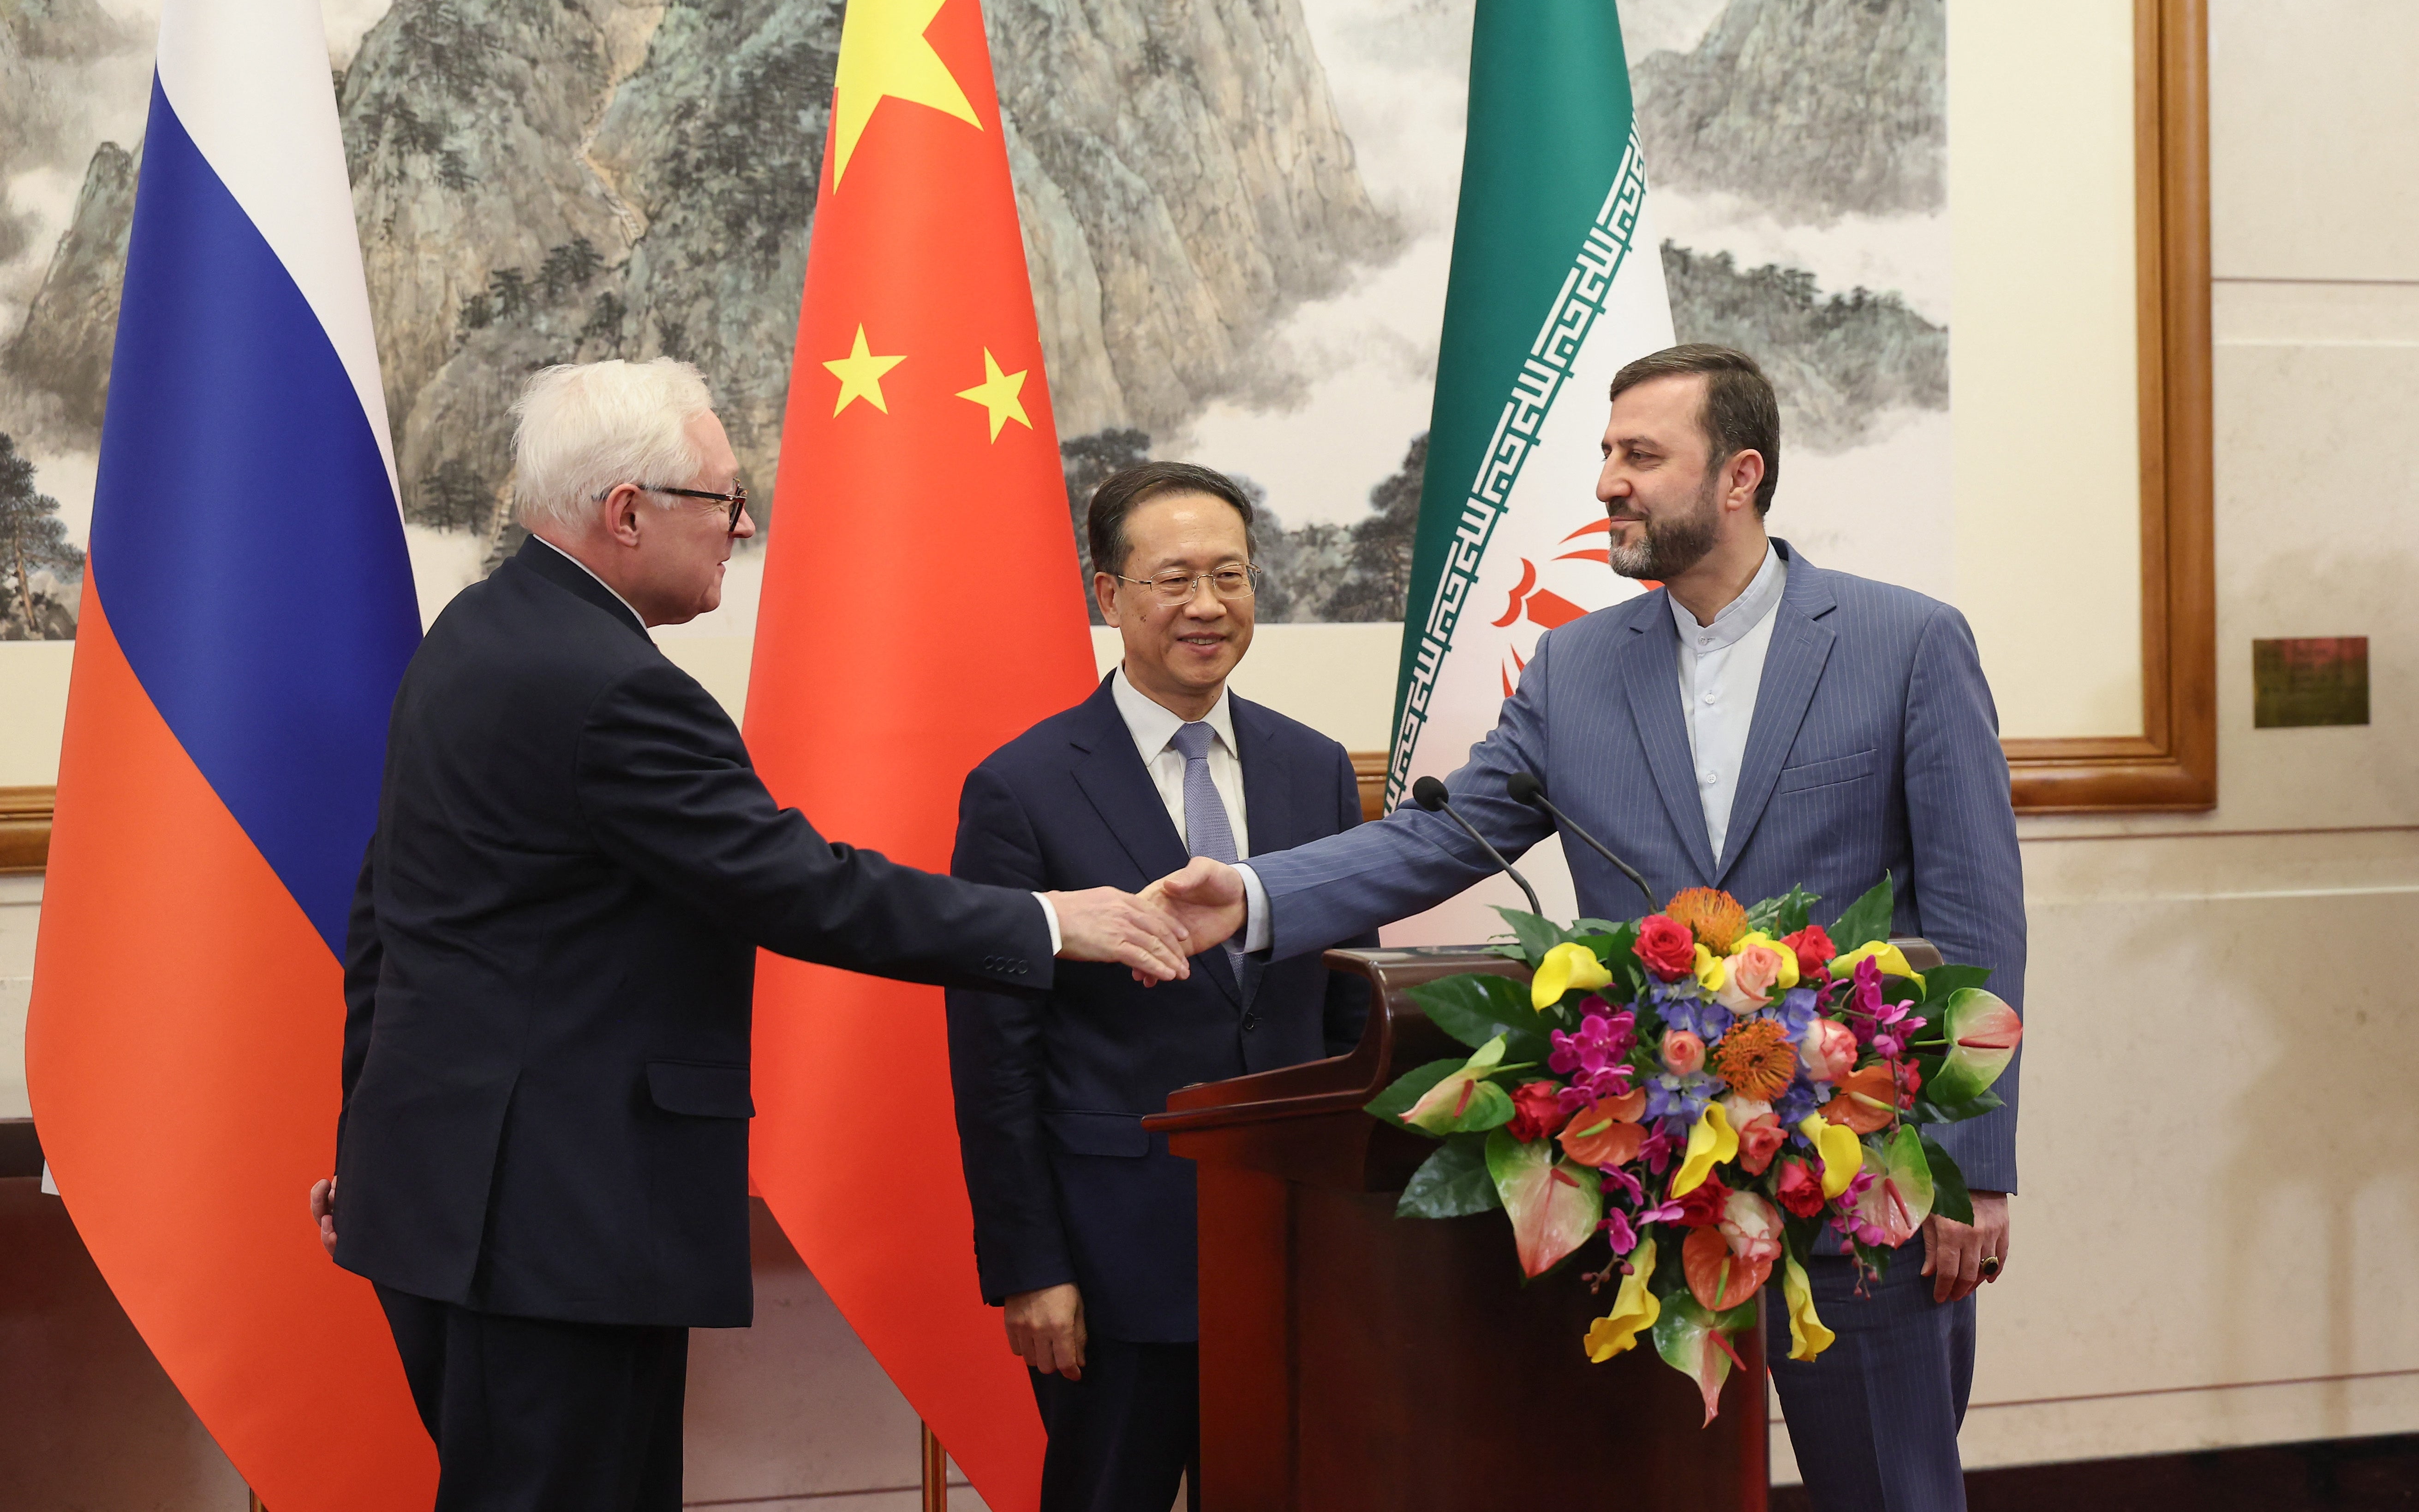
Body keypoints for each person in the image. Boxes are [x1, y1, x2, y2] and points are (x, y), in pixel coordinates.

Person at [306, 359, 1198, 1512]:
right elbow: (796, 886)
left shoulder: (479, 634)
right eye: (724, 501)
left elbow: (388, 914)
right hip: (551, 1221)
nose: (741, 525)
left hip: (460, 1199)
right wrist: (1047, 919)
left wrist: (372, 1140)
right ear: (628, 511)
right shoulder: (612, 687)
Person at [1149, 345, 2024, 1512]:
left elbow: (1975, 921)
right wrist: (1254, 895)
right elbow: (1443, 836)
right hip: (1650, 1171)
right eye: (1606, 453)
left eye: (1640, 455)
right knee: (1652, 1476)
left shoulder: (1906, 642)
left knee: (1891, 1485)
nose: (1608, 481)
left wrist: (1977, 1167)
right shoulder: (1573, 667)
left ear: (1739, 475)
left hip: (1863, 1164)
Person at [946, 462, 1375, 1512]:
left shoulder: (1312, 767)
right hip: (1114, 1259)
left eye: (1231, 575)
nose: (1206, 605)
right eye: (1173, 577)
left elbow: (1351, 1006)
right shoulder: (1023, 786)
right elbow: (995, 1056)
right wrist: (1029, 1265)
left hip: (1295, 1244)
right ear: (1109, 595)